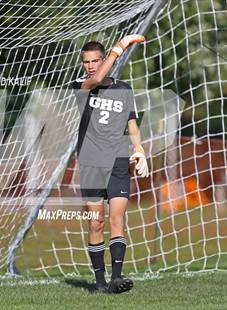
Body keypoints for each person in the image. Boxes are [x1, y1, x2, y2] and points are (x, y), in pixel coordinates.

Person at [71, 35, 150, 294]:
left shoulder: (124, 89)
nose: (91, 66)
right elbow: (94, 80)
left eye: (95, 61)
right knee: (96, 222)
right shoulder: (82, 85)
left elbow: (132, 126)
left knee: (117, 218)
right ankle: (99, 282)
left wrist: (139, 149)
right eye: (86, 62)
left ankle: (117, 278)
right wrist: (120, 47)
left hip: (118, 160)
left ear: (103, 60)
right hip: (92, 163)